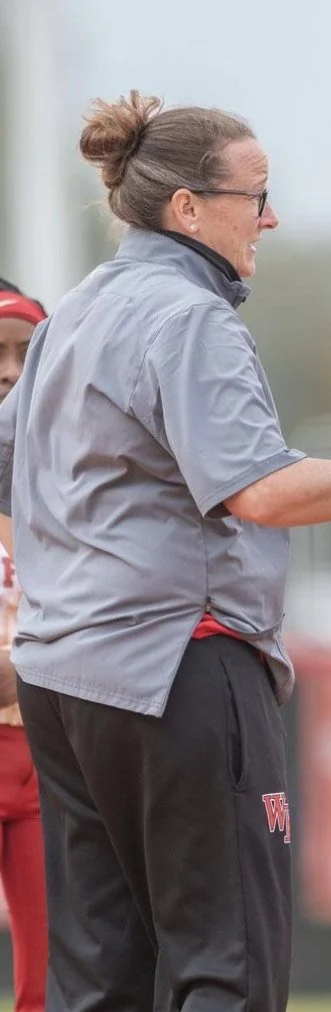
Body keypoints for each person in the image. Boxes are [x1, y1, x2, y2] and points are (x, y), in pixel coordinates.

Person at [0, 91, 331, 1012]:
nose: (270, 216)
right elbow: (265, 492)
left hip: (60, 680)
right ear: (188, 208)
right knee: (225, 965)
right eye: (256, 194)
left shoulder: (73, 314)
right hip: (177, 662)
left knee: (97, 977)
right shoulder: (186, 316)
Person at [0, 279, 47, 1012]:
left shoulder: (64, 485)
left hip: (49, 750)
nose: (10, 371)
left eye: (26, 353)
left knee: (63, 973)